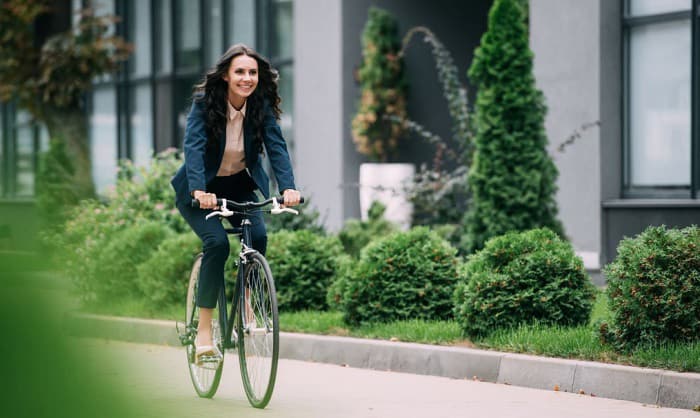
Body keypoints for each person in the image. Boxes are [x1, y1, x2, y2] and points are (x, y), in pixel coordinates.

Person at [171, 43, 301, 362]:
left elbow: (277, 147)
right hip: (200, 191)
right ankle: (203, 333)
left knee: (257, 237)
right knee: (217, 244)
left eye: (252, 72)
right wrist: (200, 191)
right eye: (240, 72)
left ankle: (246, 302)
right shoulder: (205, 104)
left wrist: (288, 187)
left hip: (239, 186)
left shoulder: (261, 106)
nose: (247, 78)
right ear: (227, 76)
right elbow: (195, 148)